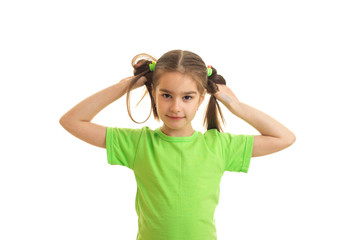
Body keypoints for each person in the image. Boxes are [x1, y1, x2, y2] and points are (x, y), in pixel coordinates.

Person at [59, 49, 296, 240]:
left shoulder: (219, 146)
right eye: (166, 95)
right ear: (153, 92)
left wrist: (236, 105)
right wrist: (123, 87)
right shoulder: (139, 144)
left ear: (201, 97)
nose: (175, 107)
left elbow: (284, 138)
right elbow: (71, 121)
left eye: (187, 97)